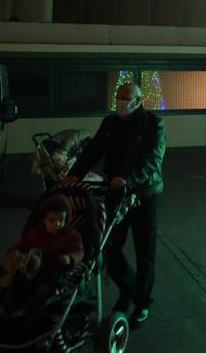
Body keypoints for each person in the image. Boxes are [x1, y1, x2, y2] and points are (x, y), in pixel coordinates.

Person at [68, 82, 165, 328]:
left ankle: (143, 304)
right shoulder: (110, 123)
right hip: (115, 192)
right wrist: (73, 174)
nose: (122, 101)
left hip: (144, 194)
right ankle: (128, 287)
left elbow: (153, 158)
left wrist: (129, 180)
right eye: (119, 96)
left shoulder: (153, 124)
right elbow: (93, 151)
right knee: (108, 246)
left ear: (139, 100)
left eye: (127, 97)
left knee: (145, 252)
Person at [0, 194, 85, 318]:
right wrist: (15, 254)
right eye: (52, 220)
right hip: (33, 267)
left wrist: (69, 258)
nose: (57, 224)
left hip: (54, 269)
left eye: (61, 220)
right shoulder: (35, 234)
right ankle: (7, 307)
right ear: (43, 220)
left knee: (45, 287)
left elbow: (78, 251)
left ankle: (26, 310)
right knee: (17, 279)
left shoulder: (71, 236)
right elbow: (22, 246)